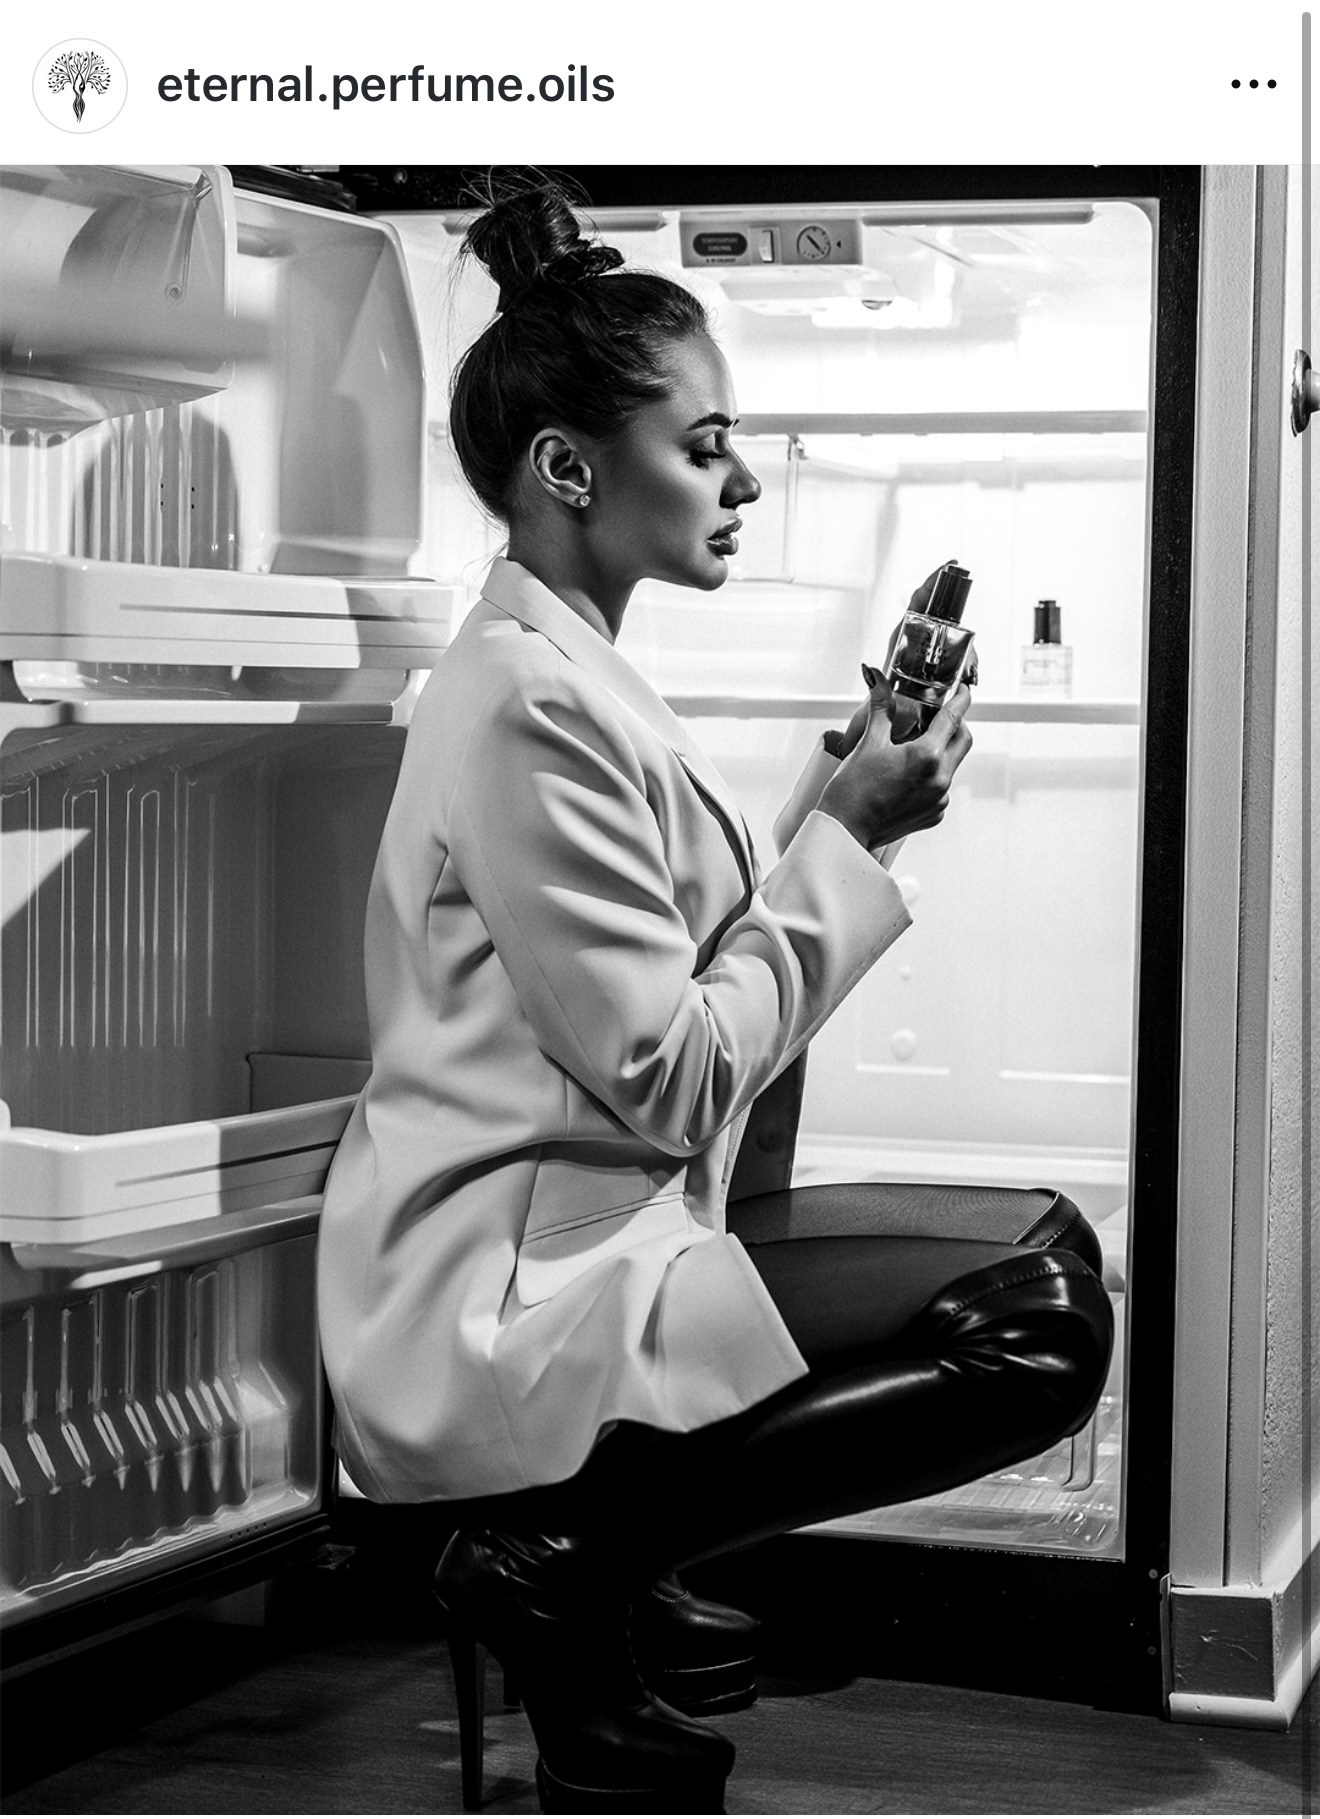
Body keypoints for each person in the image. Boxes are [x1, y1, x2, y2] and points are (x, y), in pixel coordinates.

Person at [316, 171, 1113, 1816]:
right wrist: (855, 837)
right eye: (706, 446)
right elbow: (672, 1071)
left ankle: (601, 1592)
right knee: (1034, 1330)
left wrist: (842, 792)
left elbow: (671, 953)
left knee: (1053, 1242)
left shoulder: (564, 667)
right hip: (513, 1277)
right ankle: (565, 1555)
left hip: (594, 1225)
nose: (745, 481)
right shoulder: (528, 703)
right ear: (569, 471)